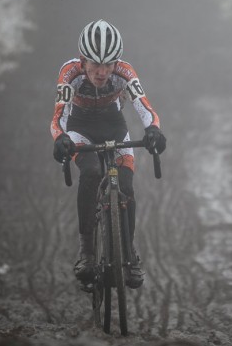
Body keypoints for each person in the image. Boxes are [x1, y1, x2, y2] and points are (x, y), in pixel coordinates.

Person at [50, 19, 166, 289]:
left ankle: (129, 254)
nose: (102, 72)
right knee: (90, 172)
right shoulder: (69, 73)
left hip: (114, 126)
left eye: (108, 64)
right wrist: (61, 138)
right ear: (83, 60)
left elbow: (145, 107)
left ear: (116, 62)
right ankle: (87, 253)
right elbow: (59, 117)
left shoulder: (125, 72)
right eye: (95, 64)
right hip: (80, 128)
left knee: (125, 185)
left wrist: (153, 130)